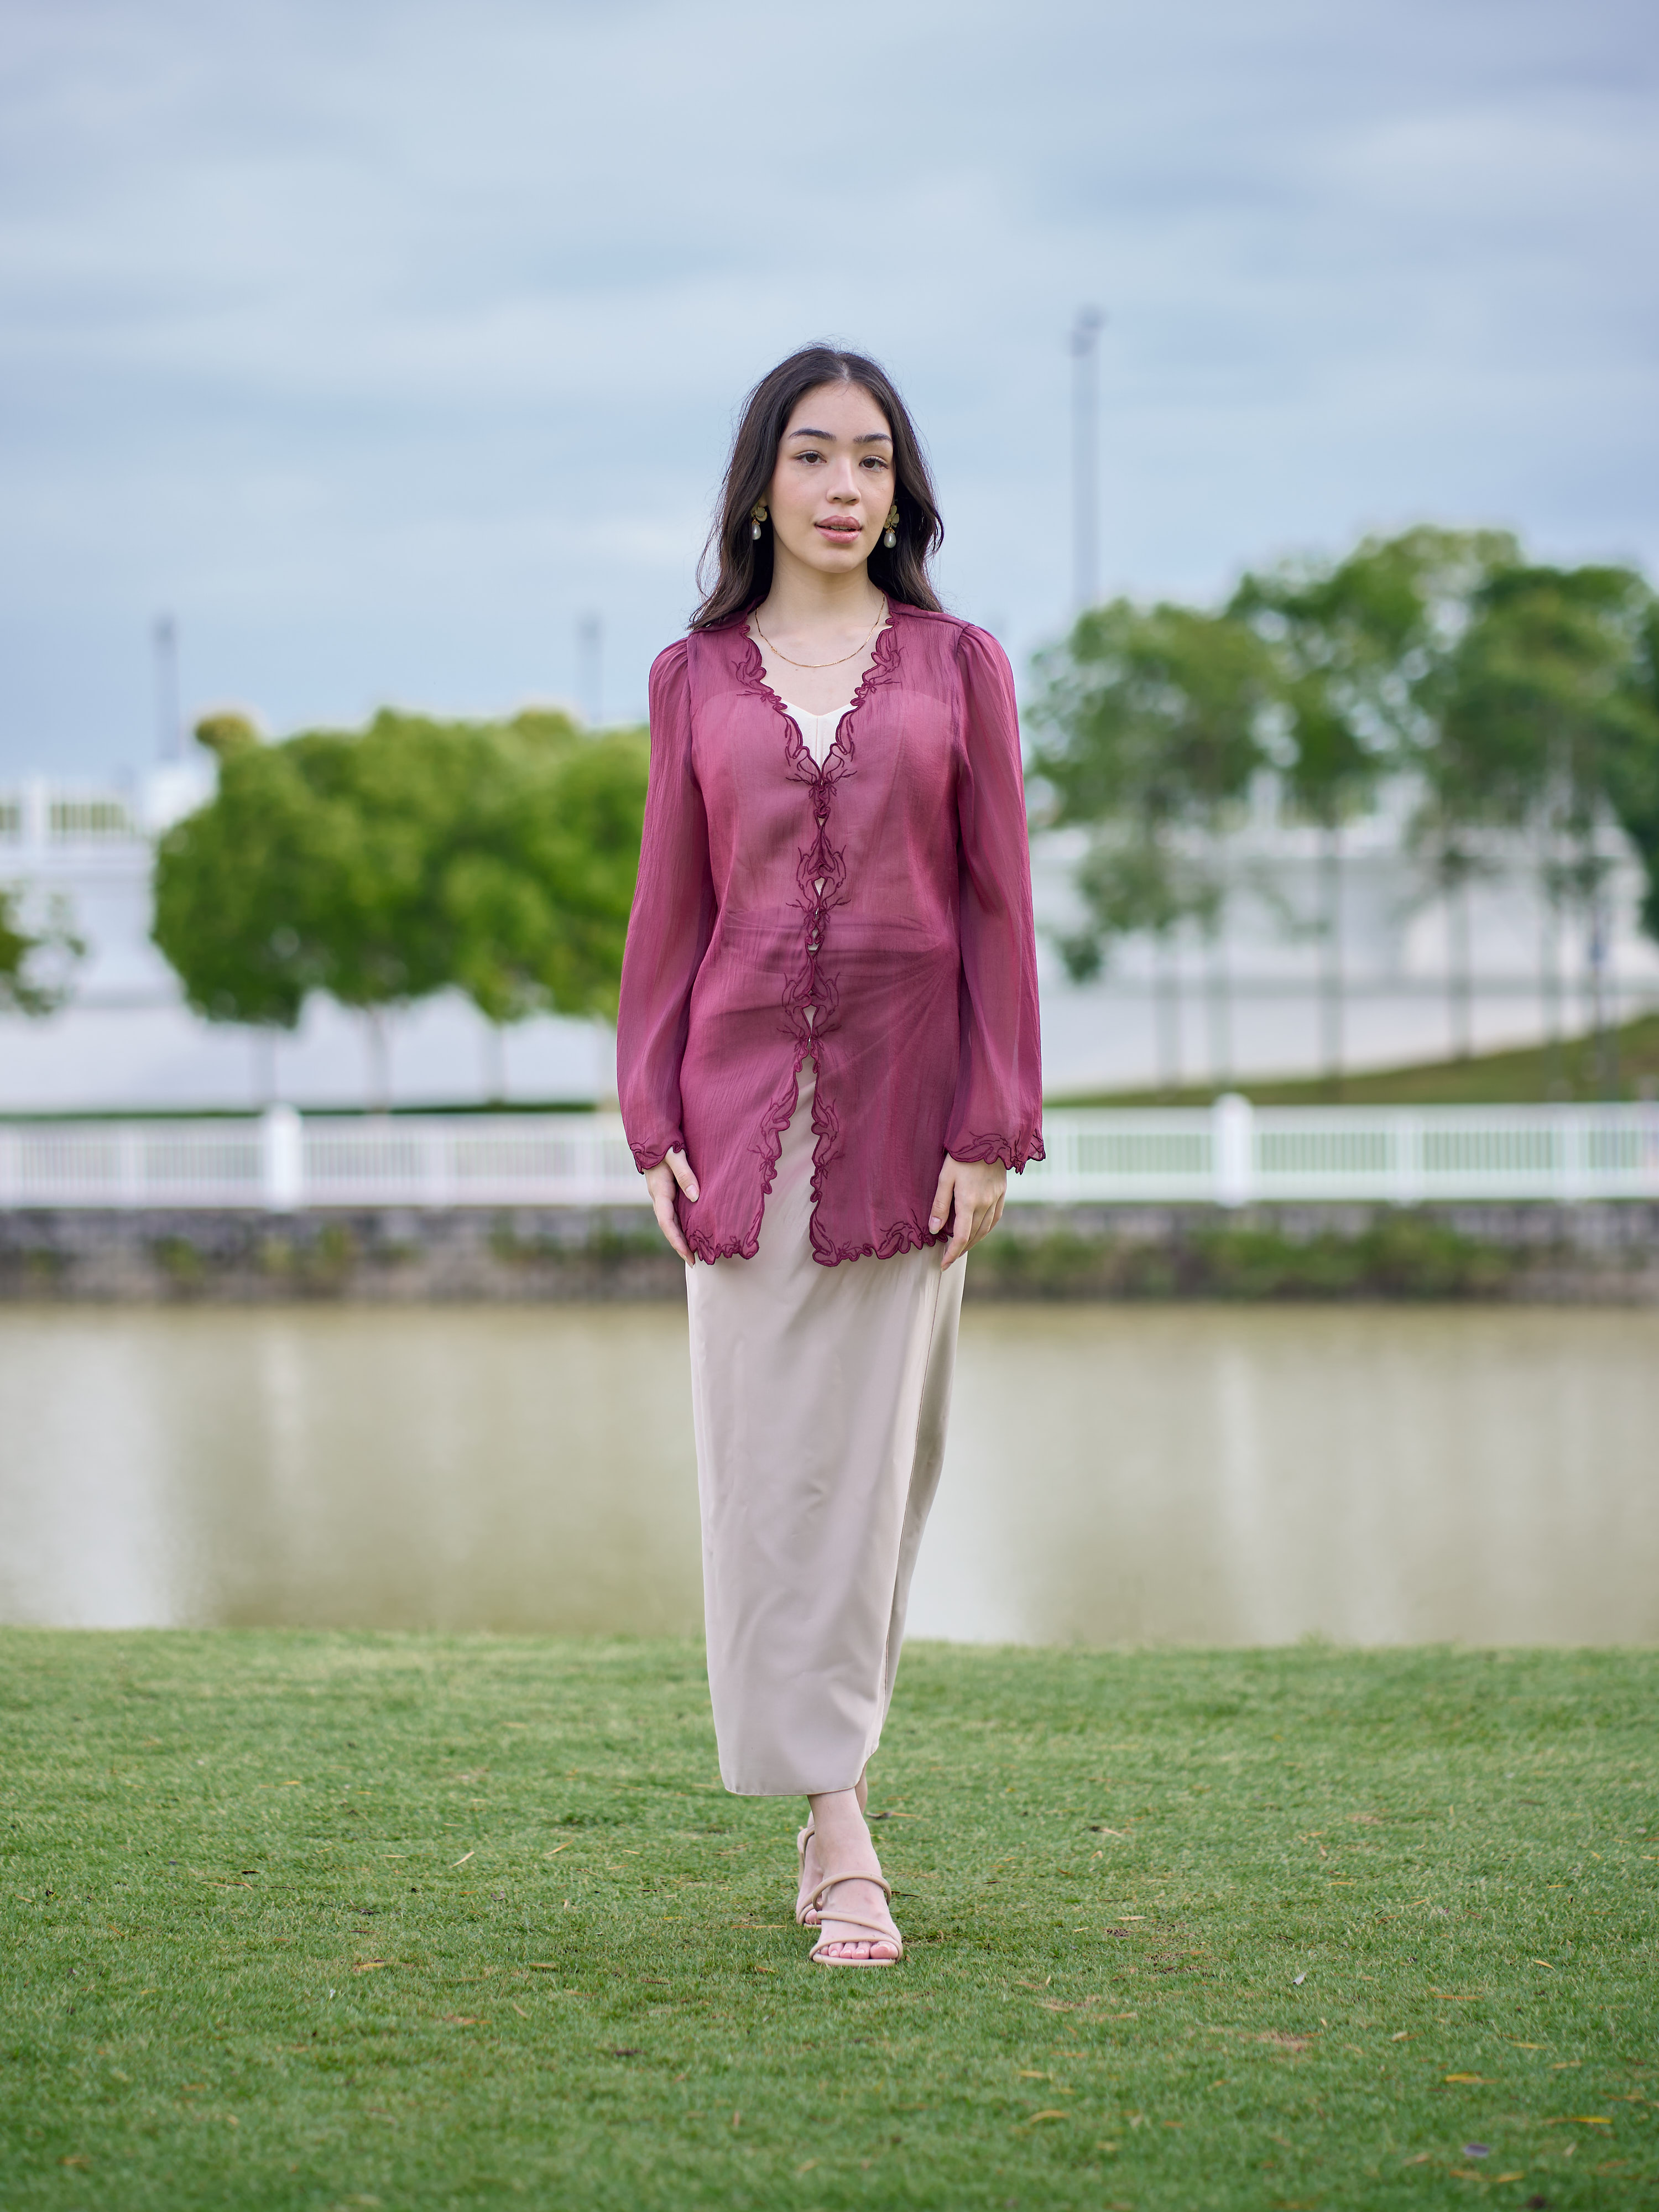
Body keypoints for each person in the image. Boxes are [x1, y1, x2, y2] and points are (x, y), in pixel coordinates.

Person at [617, 344, 1043, 1965]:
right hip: (734, 1123)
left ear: (901, 486)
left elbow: (1000, 905)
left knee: (870, 1481)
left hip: (909, 1114)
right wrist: (649, 1116)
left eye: (873, 458)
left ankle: (837, 1819)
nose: (846, 486)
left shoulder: (958, 666)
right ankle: (833, 1818)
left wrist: (995, 1122)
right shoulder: (692, 678)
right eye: (814, 457)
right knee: (764, 1476)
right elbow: (672, 912)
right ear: (762, 484)